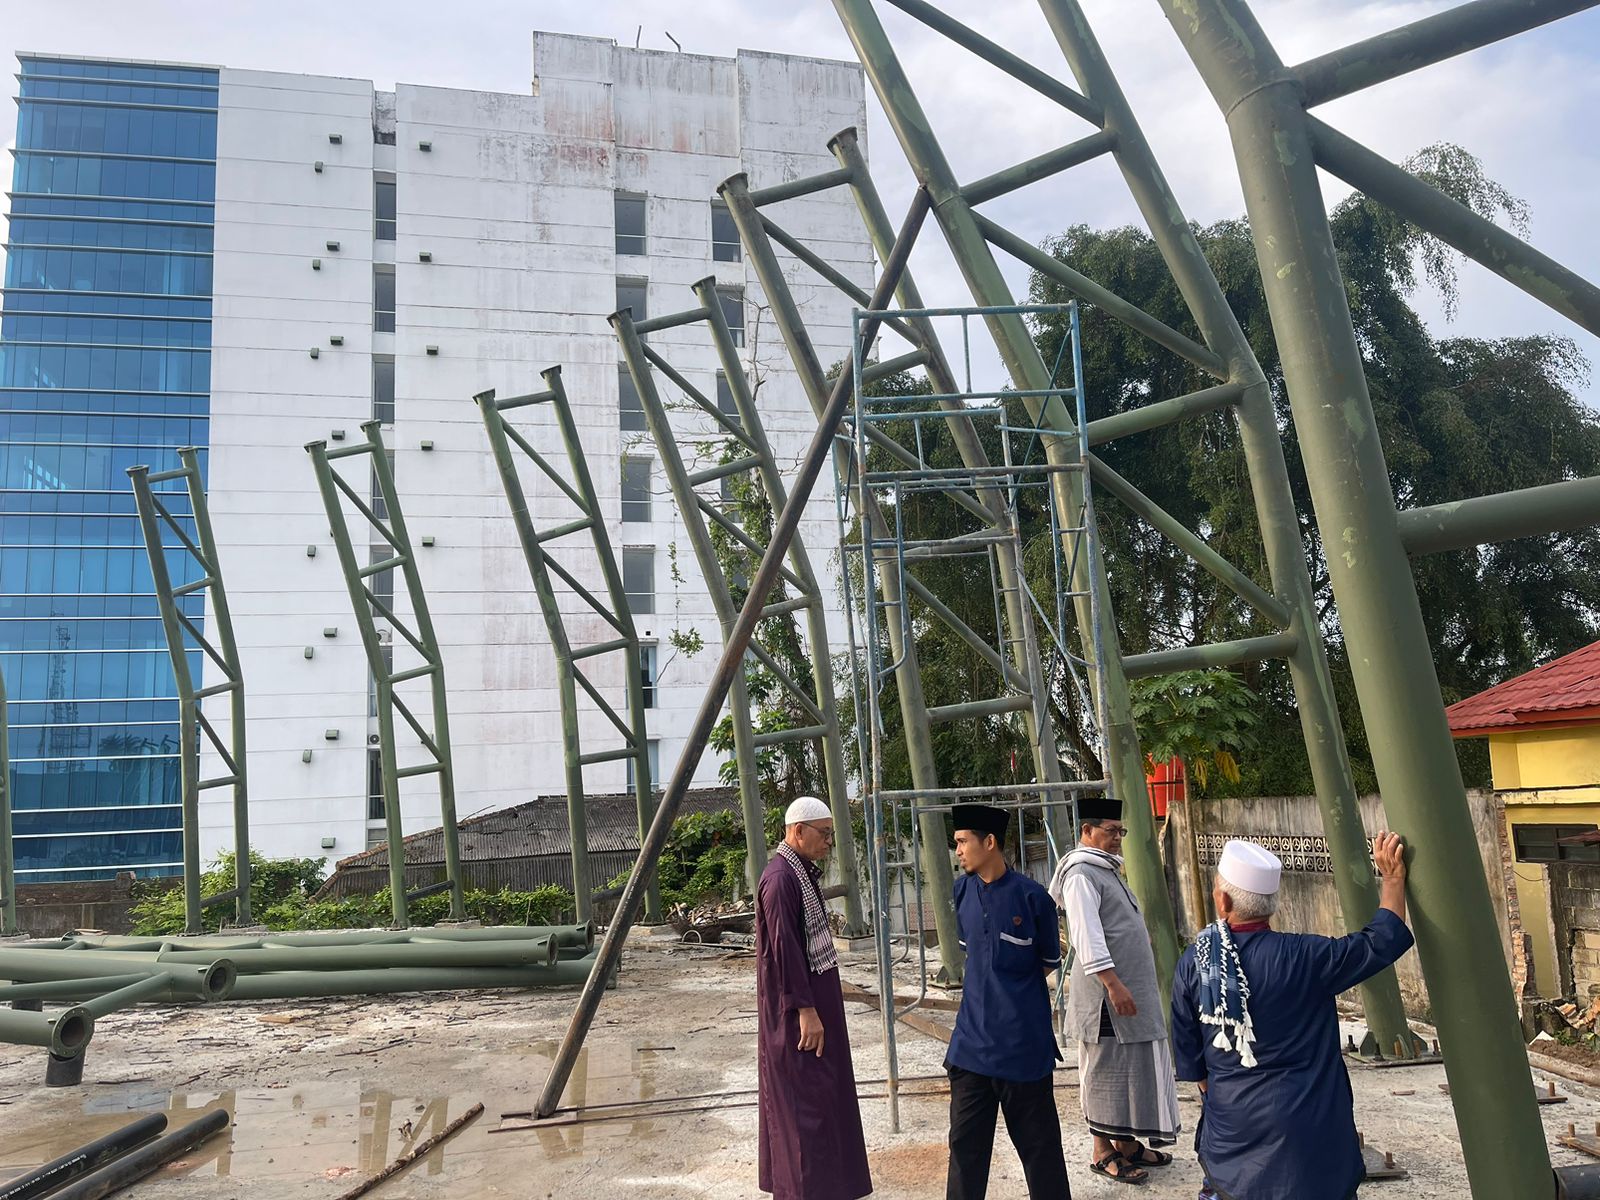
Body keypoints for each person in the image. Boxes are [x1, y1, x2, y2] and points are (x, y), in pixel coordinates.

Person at [1170, 833, 1415, 1200]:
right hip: (1312, 1132)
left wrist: (1225, 1093)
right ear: (1272, 906)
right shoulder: (1307, 957)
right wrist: (1393, 880)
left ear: (1222, 901)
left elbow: (1191, 1060)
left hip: (1233, 1135)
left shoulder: (1197, 962)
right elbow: (1380, 941)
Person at [1049, 797, 1180, 1186]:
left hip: (1124, 994)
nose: (1117, 839)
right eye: (1110, 831)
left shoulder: (1105, 871)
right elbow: (1088, 937)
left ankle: (1125, 1144)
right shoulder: (1080, 875)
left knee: (1127, 1071)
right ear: (1086, 832)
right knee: (1105, 1071)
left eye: (1120, 832)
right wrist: (1113, 983)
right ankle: (1102, 1150)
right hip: (1106, 999)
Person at [944, 803, 1070, 1200]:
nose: (958, 851)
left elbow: (1049, 962)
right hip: (970, 1051)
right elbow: (974, 953)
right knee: (965, 1151)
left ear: (990, 842)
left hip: (1023, 1052)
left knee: (1041, 1153)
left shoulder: (1033, 899)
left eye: (963, 842)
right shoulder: (962, 889)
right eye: (956, 843)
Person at [755, 795, 872, 1200]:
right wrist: (805, 1009)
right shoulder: (781, 879)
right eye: (823, 835)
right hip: (797, 1018)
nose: (828, 842)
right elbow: (784, 949)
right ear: (797, 831)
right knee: (805, 1113)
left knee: (824, 1103)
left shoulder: (800, 873)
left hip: (816, 1005)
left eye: (830, 835)